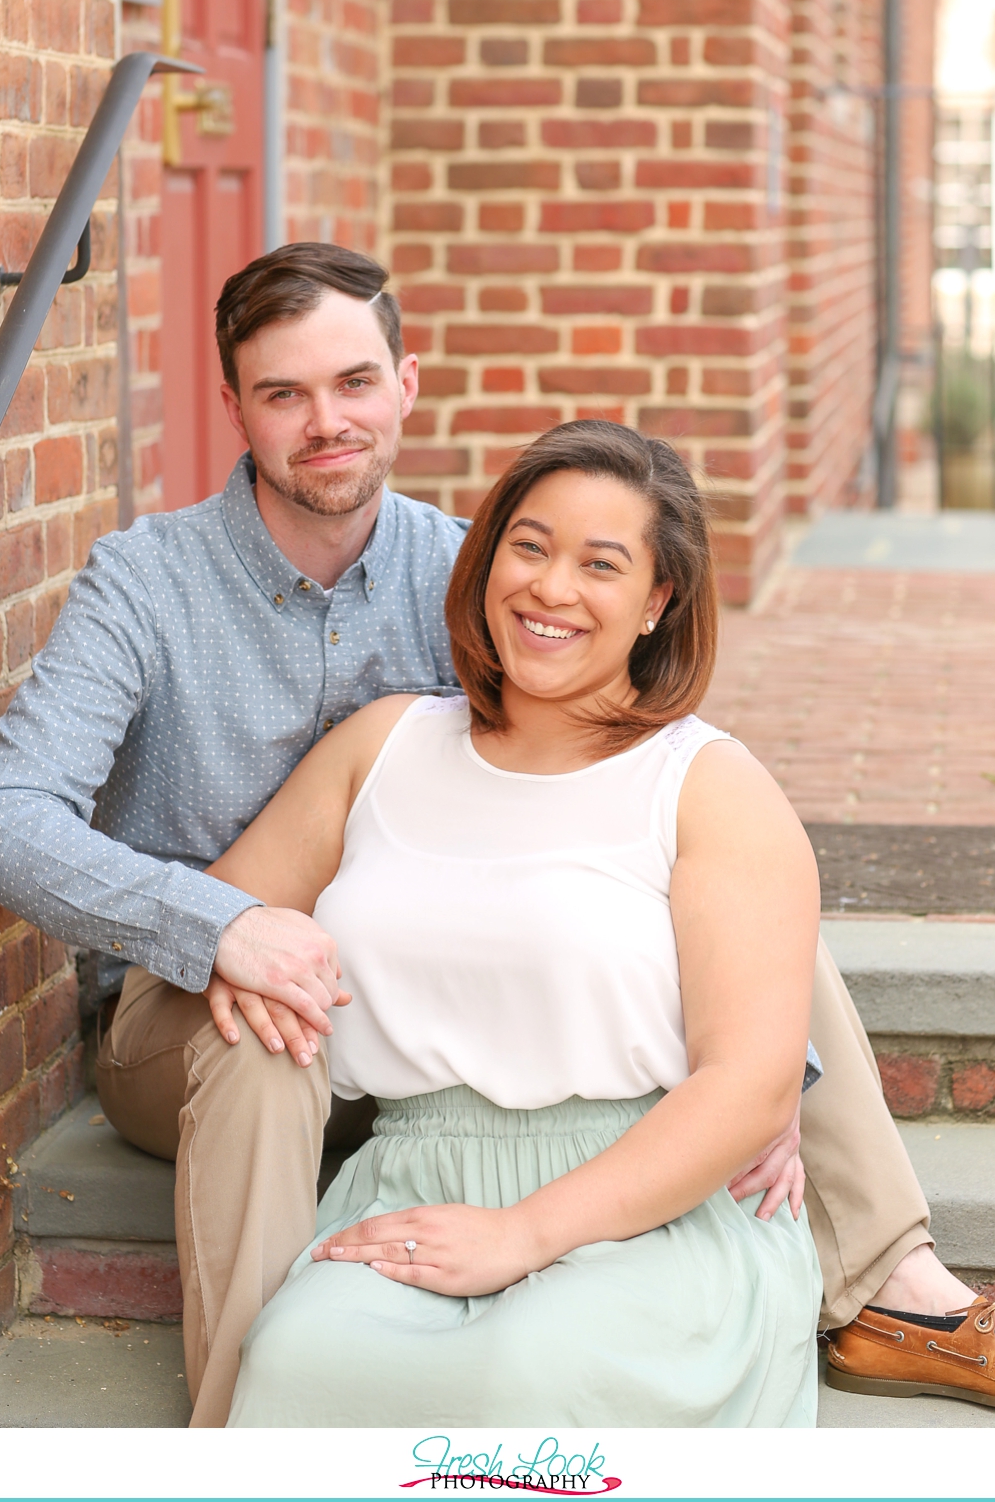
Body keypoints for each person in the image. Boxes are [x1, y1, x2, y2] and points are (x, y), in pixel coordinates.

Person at [0, 242, 995, 1424]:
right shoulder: (147, 582)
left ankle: (888, 1279)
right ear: (233, 403)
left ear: (406, 382)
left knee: (717, 853)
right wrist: (222, 925)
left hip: (411, 1017)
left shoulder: (482, 567)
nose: (325, 421)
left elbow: (631, 797)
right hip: (205, 1009)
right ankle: (249, 1422)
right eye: (284, 393)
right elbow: (3, 823)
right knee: (271, 1037)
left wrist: (764, 1086)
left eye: (353, 383)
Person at [217, 420, 822, 1425]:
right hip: (409, 1173)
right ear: (487, 558)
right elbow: (218, 917)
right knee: (296, 1358)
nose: (550, 588)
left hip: (649, 1209)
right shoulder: (385, 746)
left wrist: (525, 1232)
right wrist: (235, 950)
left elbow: (750, 1083)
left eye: (601, 564)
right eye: (530, 547)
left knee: (527, 1378)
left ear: (656, 601)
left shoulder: (708, 785)